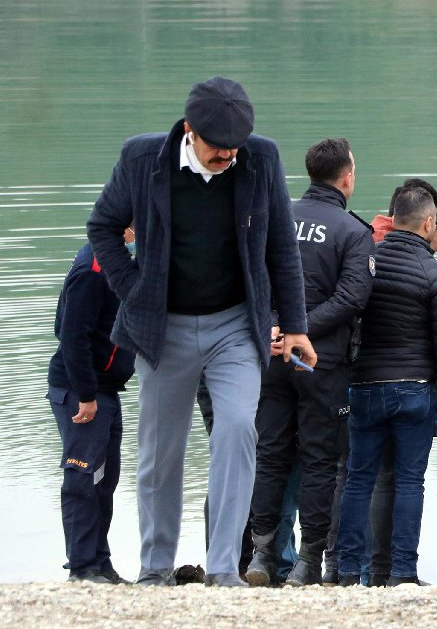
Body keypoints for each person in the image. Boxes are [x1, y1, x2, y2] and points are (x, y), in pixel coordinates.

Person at [86, 77, 316, 587]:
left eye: (235, 146)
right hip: (161, 327)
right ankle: (155, 568)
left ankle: (223, 569)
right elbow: (102, 227)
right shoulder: (141, 158)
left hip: (236, 325)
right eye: (218, 146)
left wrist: (296, 327)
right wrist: (135, 290)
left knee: (237, 430)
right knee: (160, 450)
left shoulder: (261, 158)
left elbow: (282, 245)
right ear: (189, 129)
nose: (228, 155)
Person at [246, 138, 373, 587]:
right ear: (347, 177)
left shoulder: (275, 217)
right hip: (322, 361)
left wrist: (275, 328)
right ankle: (308, 563)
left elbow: (251, 282)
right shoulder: (353, 231)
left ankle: (261, 557)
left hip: (271, 355)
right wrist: (301, 332)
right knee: (320, 460)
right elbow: (352, 297)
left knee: (270, 455)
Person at [336, 185, 437, 587]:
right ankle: (402, 572)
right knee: (410, 481)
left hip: (364, 386)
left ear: (392, 219)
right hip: (413, 390)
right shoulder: (434, 274)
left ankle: (347, 571)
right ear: (429, 223)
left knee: (359, 478)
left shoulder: (366, 263)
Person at [47, 229, 138, 584]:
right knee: (83, 476)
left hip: (106, 389)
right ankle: (82, 568)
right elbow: (70, 334)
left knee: (106, 478)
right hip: (81, 391)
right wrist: (86, 394)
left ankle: (101, 562)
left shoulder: (116, 262)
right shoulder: (92, 269)